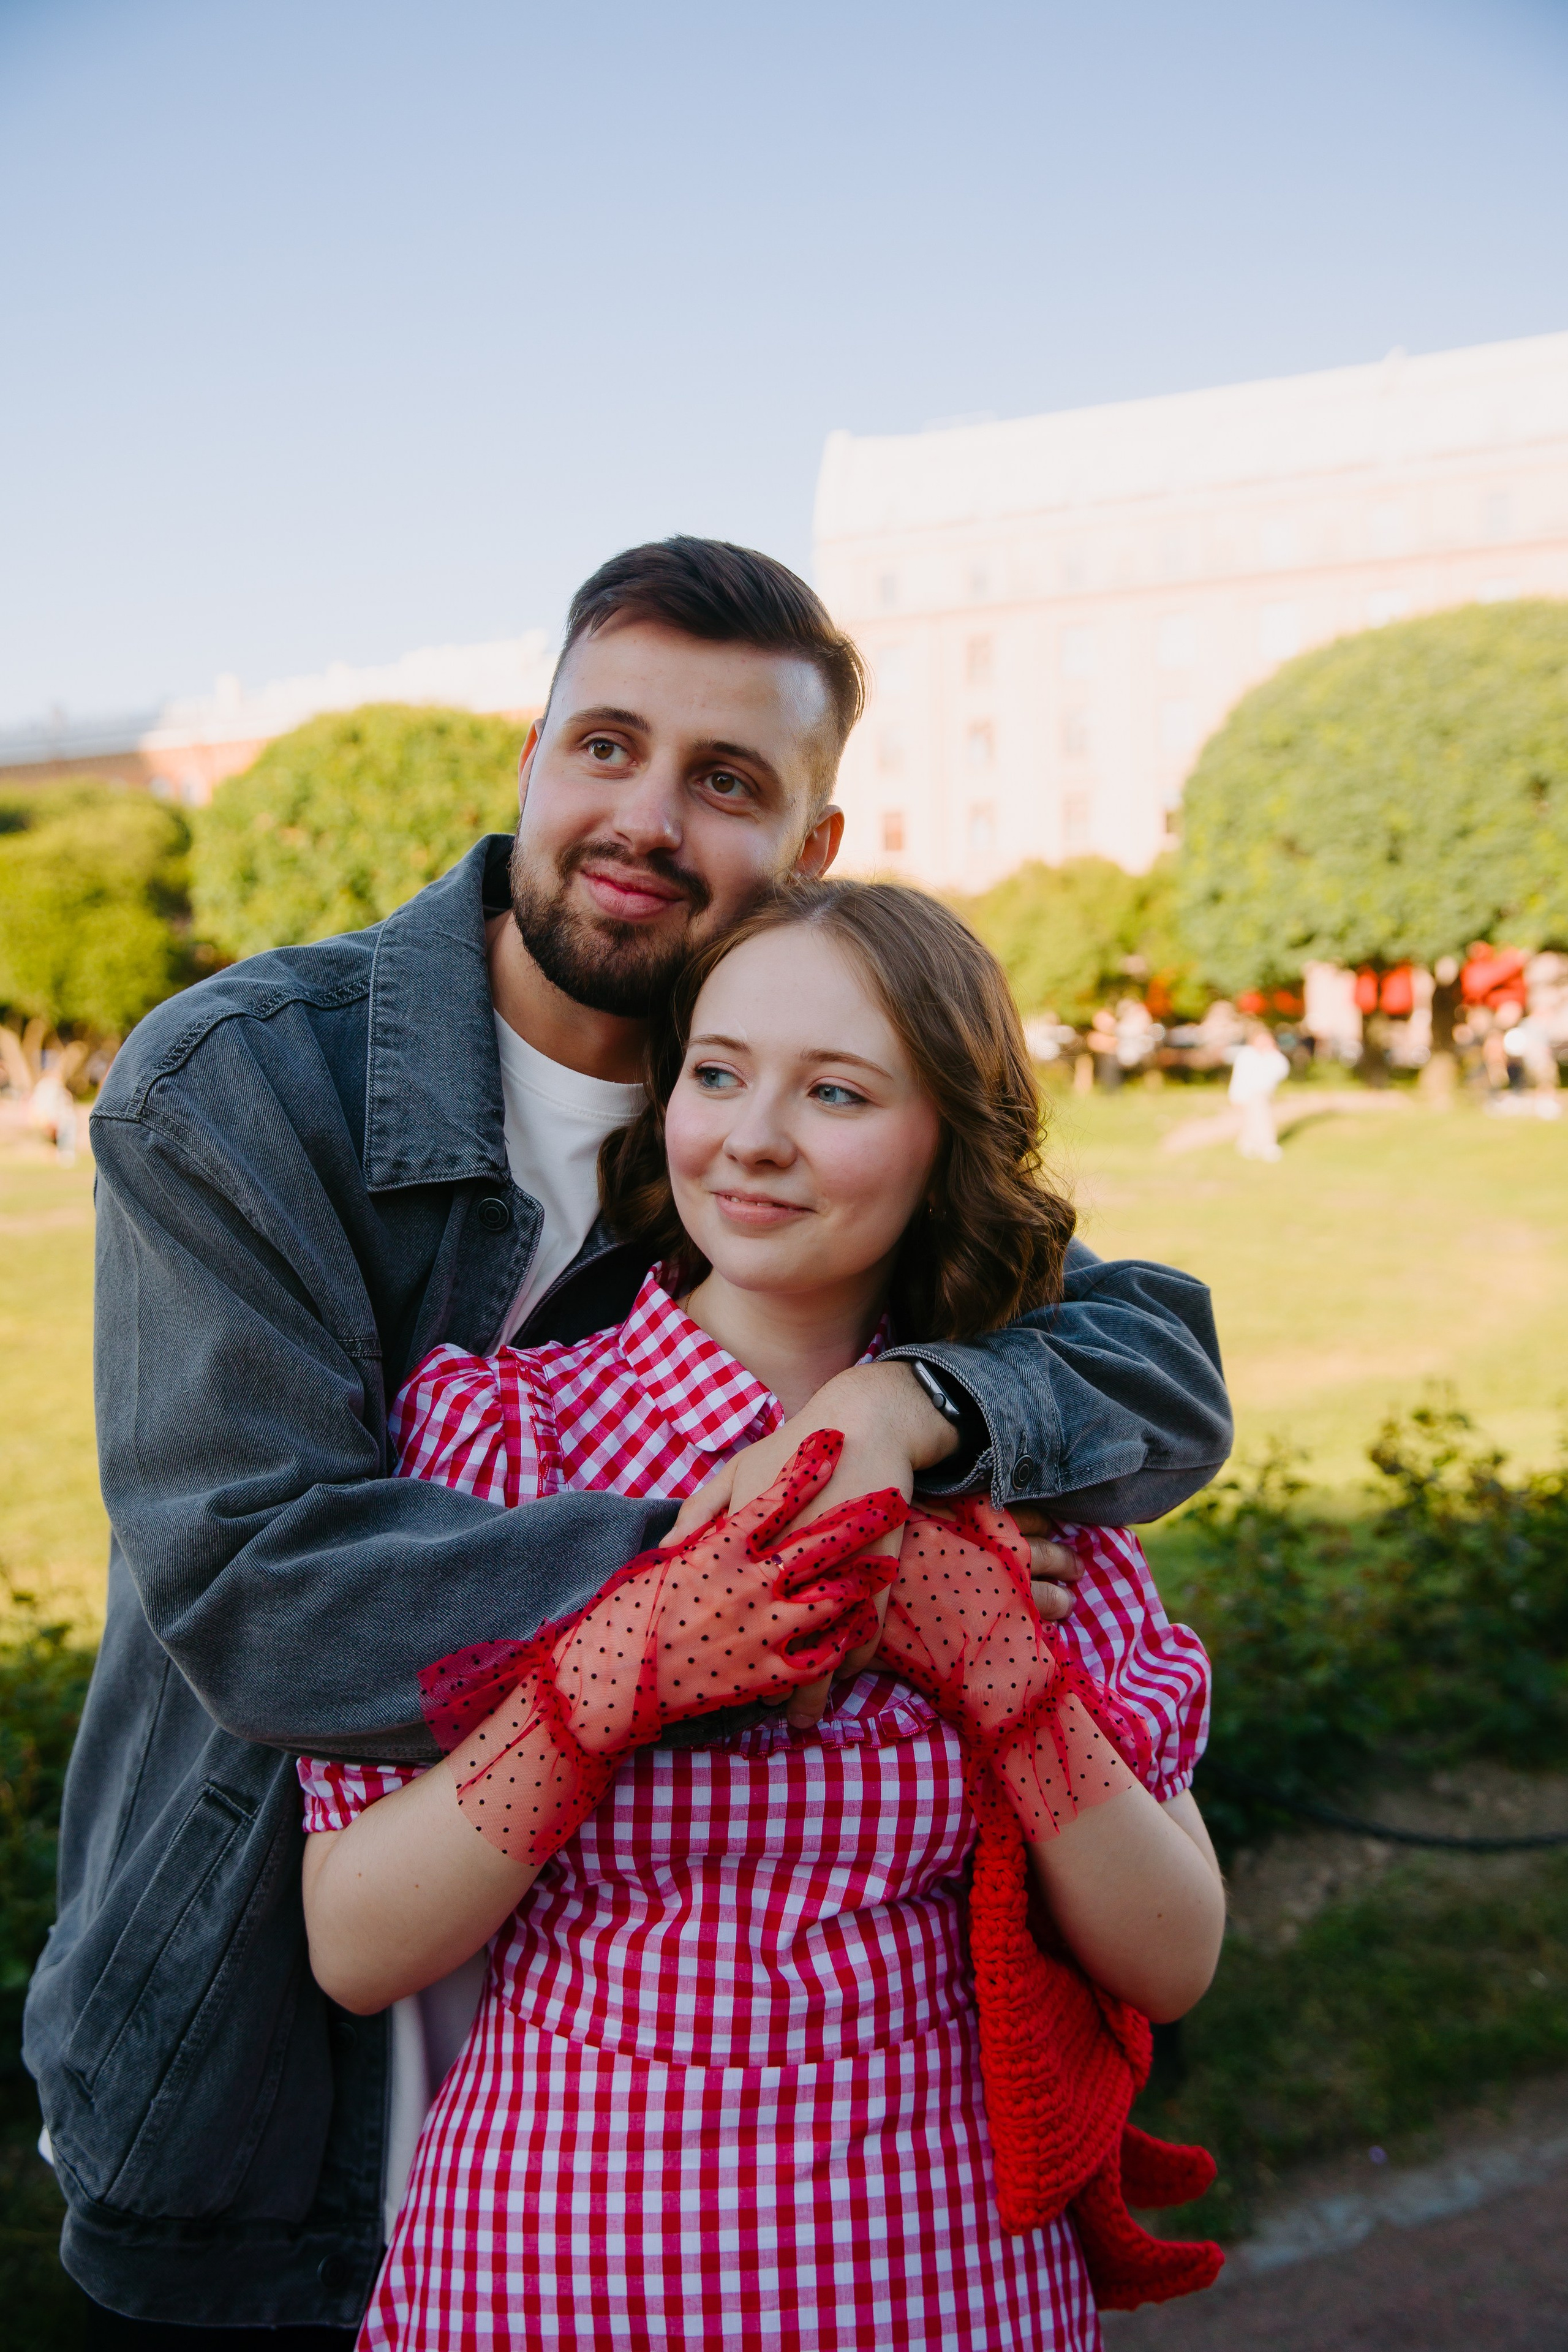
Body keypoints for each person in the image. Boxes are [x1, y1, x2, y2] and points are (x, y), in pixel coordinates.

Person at [25, 538, 1232, 2342]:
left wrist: (912, 1409)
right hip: (278, 2049)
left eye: (726, 779)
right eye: (604, 743)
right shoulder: (249, 1079)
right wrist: (771, 1566)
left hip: (881, 2228)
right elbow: (271, 1589)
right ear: (530, 755)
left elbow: (1138, 1342)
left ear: (811, 852)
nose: (644, 815)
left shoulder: (787, 1106)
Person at [300, 881, 1224, 2349]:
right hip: (551, 2266)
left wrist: (997, 1667)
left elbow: (1170, 1953)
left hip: (939, 2276)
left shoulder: (1024, 1468)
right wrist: (610, 1671)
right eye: (717, 1071)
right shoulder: (507, 1438)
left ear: (946, 1141)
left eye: (836, 1089)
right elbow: (353, 1940)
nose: (751, 1136)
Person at [1227, 1021, 1289, 1161]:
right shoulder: (1247, 1055)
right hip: (1249, 1094)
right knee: (1257, 1119)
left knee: (1258, 1119)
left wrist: (1273, 1053)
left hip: (1264, 1094)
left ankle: (1251, 1144)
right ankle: (1264, 1144)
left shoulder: (1272, 1056)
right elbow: (1239, 1078)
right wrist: (1235, 1096)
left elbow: (1282, 1071)